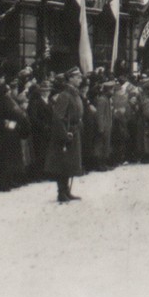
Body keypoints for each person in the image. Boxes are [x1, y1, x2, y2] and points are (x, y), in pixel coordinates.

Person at [45, 66, 84, 203]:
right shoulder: (65, 95)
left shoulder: (74, 94)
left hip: (73, 132)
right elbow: (58, 117)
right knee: (62, 163)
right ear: (71, 79)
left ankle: (67, 190)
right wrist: (64, 134)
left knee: (69, 163)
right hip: (66, 134)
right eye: (78, 77)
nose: (80, 79)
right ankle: (61, 192)